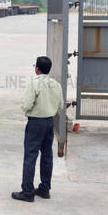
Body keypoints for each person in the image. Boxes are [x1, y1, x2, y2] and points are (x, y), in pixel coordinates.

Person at [11, 56, 64, 202]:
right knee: (47, 155)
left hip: (36, 123)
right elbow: (60, 105)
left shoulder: (34, 84)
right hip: (49, 122)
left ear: (37, 69)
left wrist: (27, 109)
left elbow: (27, 105)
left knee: (30, 156)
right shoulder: (56, 85)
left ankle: (27, 192)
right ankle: (45, 188)